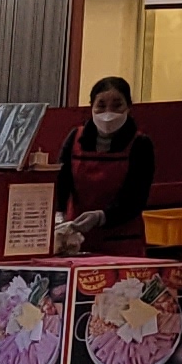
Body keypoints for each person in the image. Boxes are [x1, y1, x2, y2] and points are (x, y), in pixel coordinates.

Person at [53, 78, 156, 252]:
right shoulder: (75, 138)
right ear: (91, 107)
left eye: (117, 105)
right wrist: (59, 215)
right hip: (75, 240)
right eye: (101, 106)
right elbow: (60, 181)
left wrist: (102, 216)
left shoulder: (141, 144)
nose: (108, 113)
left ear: (129, 107)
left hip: (123, 242)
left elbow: (136, 198)